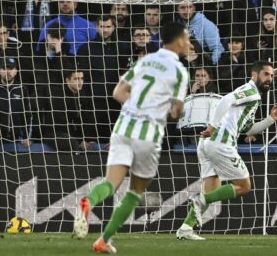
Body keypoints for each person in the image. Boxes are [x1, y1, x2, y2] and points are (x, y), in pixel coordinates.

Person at [73, 22, 190, 253]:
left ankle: (88, 202)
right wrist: (170, 109)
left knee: (110, 183)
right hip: (147, 135)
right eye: (187, 39)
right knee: (135, 191)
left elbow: (118, 93)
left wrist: (138, 106)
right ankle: (103, 240)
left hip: (123, 127)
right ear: (177, 41)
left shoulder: (144, 61)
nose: (189, 43)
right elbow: (175, 113)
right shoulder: (180, 71)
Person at [176, 60, 277, 241]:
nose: (270, 78)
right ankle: (198, 200)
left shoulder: (254, 98)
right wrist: (212, 126)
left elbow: (248, 130)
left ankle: (186, 228)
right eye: (266, 74)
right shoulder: (249, 90)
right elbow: (226, 99)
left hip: (208, 144)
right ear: (254, 75)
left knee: (211, 194)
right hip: (220, 143)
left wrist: (270, 120)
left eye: (272, 75)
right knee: (244, 186)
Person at [41, 68, 98, 152]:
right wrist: (80, 140)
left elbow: (85, 120)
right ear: (67, 80)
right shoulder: (59, 97)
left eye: (81, 79)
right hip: (53, 133)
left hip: (71, 134)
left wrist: (90, 139)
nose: (80, 82)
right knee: (73, 144)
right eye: (76, 79)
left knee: (93, 146)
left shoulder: (82, 97)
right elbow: (63, 124)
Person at [0, 57, 32, 151]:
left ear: (16, 71)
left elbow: (27, 114)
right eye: (4, 68)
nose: (7, 72)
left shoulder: (22, 89)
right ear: (0, 71)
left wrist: (26, 136)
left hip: (16, 134)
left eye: (11, 69)